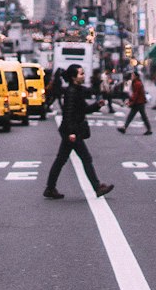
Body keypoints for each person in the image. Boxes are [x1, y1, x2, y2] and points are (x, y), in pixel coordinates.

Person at [43, 65, 113, 201]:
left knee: (61, 160)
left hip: (71, 131)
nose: (83, 76)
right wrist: (71, 133)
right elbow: (68, 114)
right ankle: (97, 187)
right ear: (74, 77)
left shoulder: (76, 90)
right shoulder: (71, 92)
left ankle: (50, 188)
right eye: (81, 74)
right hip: (72, 131)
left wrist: (97, 105)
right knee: (85, 158)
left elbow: (83, 109)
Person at [117, 69, 152, 135]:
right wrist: (131, 100)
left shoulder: (137, 83)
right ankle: (124, 127)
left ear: (136, 76)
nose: (131, 76)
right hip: (139, 102)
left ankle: (149, 129)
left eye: (133, 75)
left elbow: (135, 94)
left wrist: (130, 101)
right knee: (134, 116)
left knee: (139, 116)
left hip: (139, 102)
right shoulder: (136, 82)